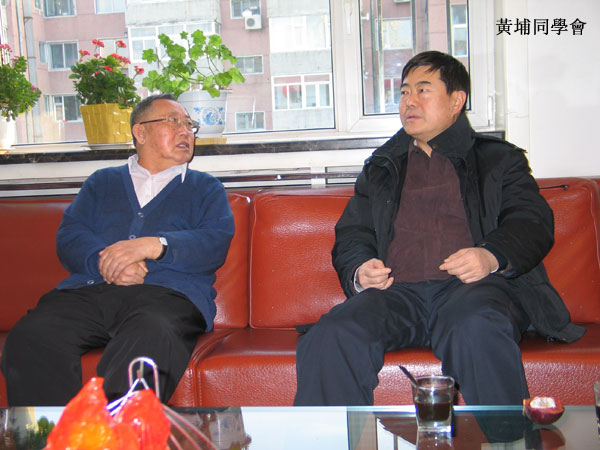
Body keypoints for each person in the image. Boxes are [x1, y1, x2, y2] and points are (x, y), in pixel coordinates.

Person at [293, 51, 584, 406]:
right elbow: (354, 233)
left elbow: (531, 221)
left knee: (476, 327)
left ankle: (509, 436)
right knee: (332, 335)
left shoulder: (498, 159)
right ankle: (330, 436)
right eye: (404, 92)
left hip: (473, 291)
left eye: (423, 90)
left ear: (456, 101)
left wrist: (490, 255)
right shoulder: (381, 167)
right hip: (396, 294)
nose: (409, 101)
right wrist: (359, 270)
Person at [1, 94, 235, 406]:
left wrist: (154, 245)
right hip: (89, 292)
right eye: (173, 122)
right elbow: (70, 236)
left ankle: (117, 430)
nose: (186, 132)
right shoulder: (102, 182)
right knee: (29, 338)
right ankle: (53, 432)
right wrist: (108, 262)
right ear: (140, 132)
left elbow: (214, 242)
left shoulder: (205, 188)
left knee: (150, 336)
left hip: (167, 298)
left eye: (189, 125)